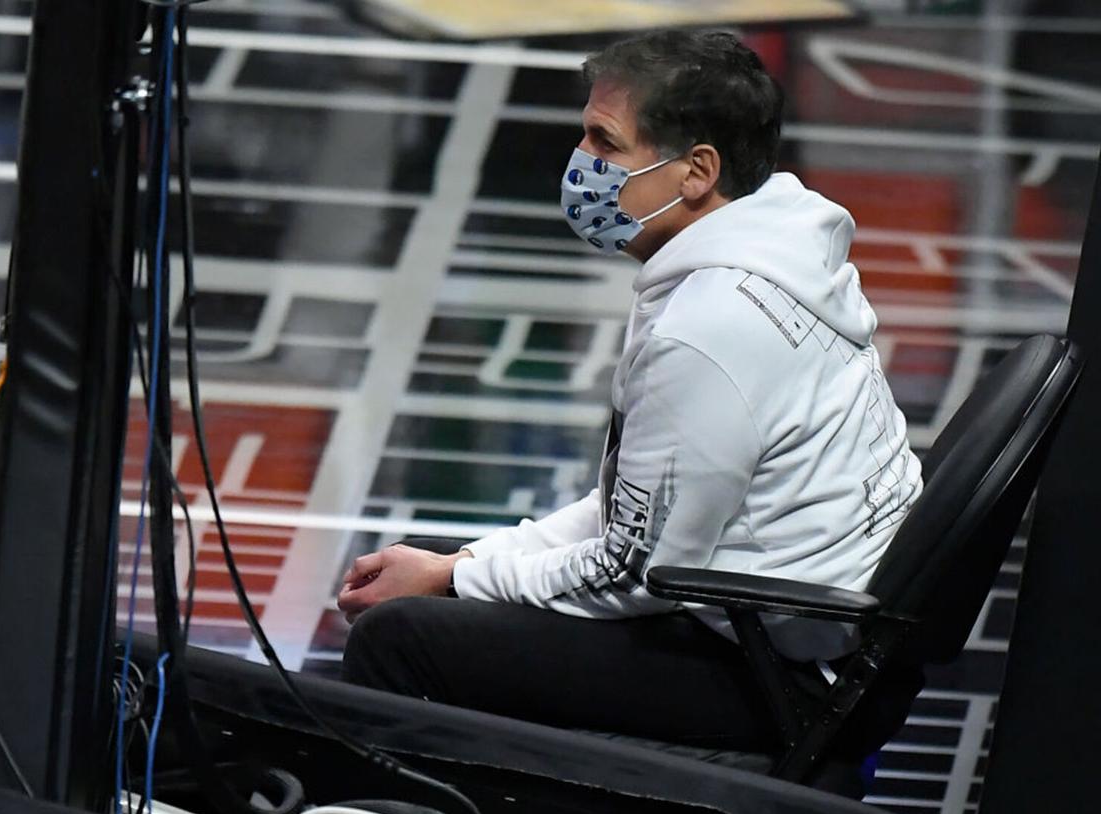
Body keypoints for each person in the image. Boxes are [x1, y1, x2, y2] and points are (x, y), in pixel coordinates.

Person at [336, 30, 922, 752]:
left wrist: (454, 585)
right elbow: (631, 510)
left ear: (696, 171)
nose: (582, 163)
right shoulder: (777, 243)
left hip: (777, 671)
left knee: (402, 643)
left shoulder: (707, 330)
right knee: (453, 604)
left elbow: (631, 571)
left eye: (604, 142)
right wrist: (457, 565)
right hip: (796, 625)